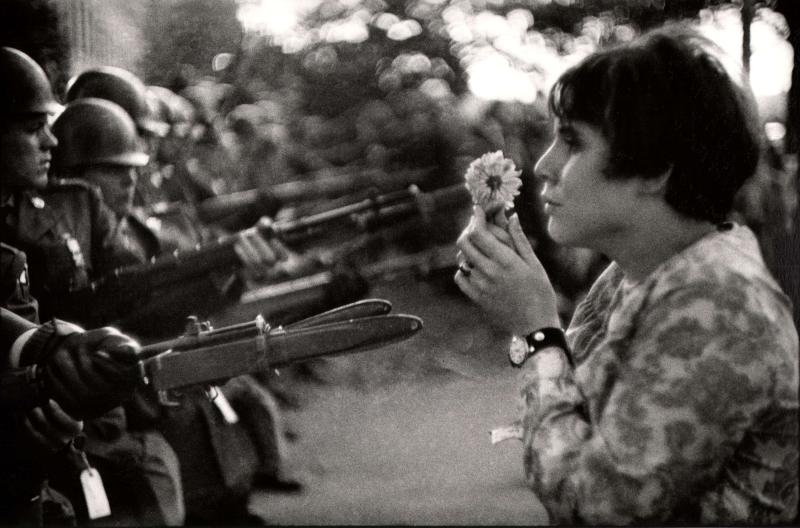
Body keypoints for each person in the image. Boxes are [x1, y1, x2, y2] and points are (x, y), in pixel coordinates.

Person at [454, 25, 798, 524]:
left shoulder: (717, 301)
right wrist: (528, 313)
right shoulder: (638, 274)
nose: (545, 166)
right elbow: (572, 412)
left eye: (572, 142)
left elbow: (596, 506)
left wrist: (534, 331)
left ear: (656, 169)